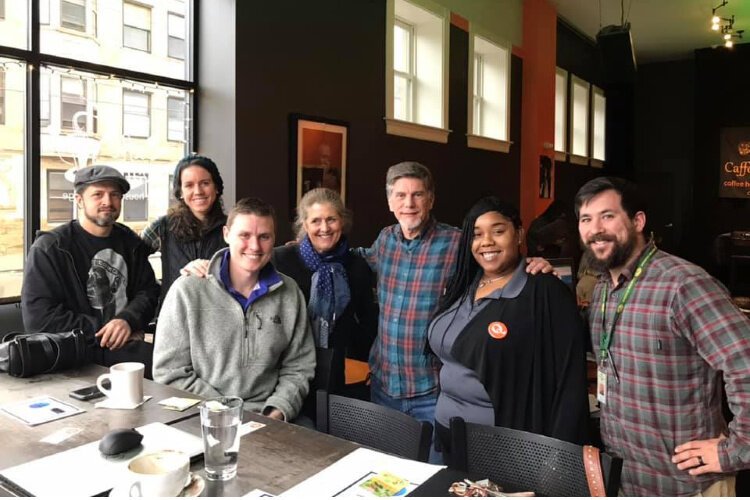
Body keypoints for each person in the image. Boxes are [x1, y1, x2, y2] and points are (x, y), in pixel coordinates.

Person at [576, 176, 750, 496]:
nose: (595, 228)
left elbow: (745, 362)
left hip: (688, 486)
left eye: (608, 216)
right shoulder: (602, 288)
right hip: (625, 480)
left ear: (638, 221)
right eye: (586, 219)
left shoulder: (682, 284)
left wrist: (737, 450)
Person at [357, 161, 552, 428]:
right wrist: (303, 247)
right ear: (390, 202)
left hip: (433, 389)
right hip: (383, 385)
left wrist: (531, 265)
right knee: (387, 469)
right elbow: (355, 259)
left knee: (436, 469)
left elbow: (496, 265)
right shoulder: (385, 240)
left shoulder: (456, 243)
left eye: (418, 194)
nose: (409, 203)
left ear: (431, 199)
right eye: (400, 195)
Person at [428, 197, 590, 463]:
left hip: (499, 446)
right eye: (477, 235)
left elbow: (568, 382)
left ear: (519, 234)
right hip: (445, 434)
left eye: (499, 231)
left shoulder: (542, 292)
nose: (487, 241)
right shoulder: (463, 285)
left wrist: (556, 460)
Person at [153, 197, 315, 422]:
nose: (255, 246)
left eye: (264, 237)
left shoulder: (289, 293)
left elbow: (299, 366)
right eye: (244, 235)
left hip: (270, 418)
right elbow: (169, 372)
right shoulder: (187, 291)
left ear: (274, 239)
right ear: (226, 234)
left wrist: (277, 411)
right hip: (202, 416)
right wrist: (226, 412)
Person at [21, 165, 159, 375]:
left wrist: (128, 320)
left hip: (124, 348)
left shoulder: (130, 242)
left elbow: (149, 292)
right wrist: (110, 329)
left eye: (114, 195)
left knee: (173, 365)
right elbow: (40, 318)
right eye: (98, 194)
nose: (107, 201)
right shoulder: (51, 248)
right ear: (79, 200)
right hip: (75, 352)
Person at [272, 188, 378, 396]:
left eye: (331, 219)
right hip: (285, 370)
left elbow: (368, 324)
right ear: (304, 224)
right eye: (316, 221)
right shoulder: (280, 260)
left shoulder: (356, 266)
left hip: (334, 373)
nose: (324, 228)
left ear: (342, 222)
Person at [140, 154, 227, 307]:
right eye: (189, 185)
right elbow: (133, 262)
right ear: (180, 192)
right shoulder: (163, 227)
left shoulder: (233, 228)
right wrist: (155, 291)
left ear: (217, 187)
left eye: (205, 183)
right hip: (173, 317)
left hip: (220, 318)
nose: (198, 191)